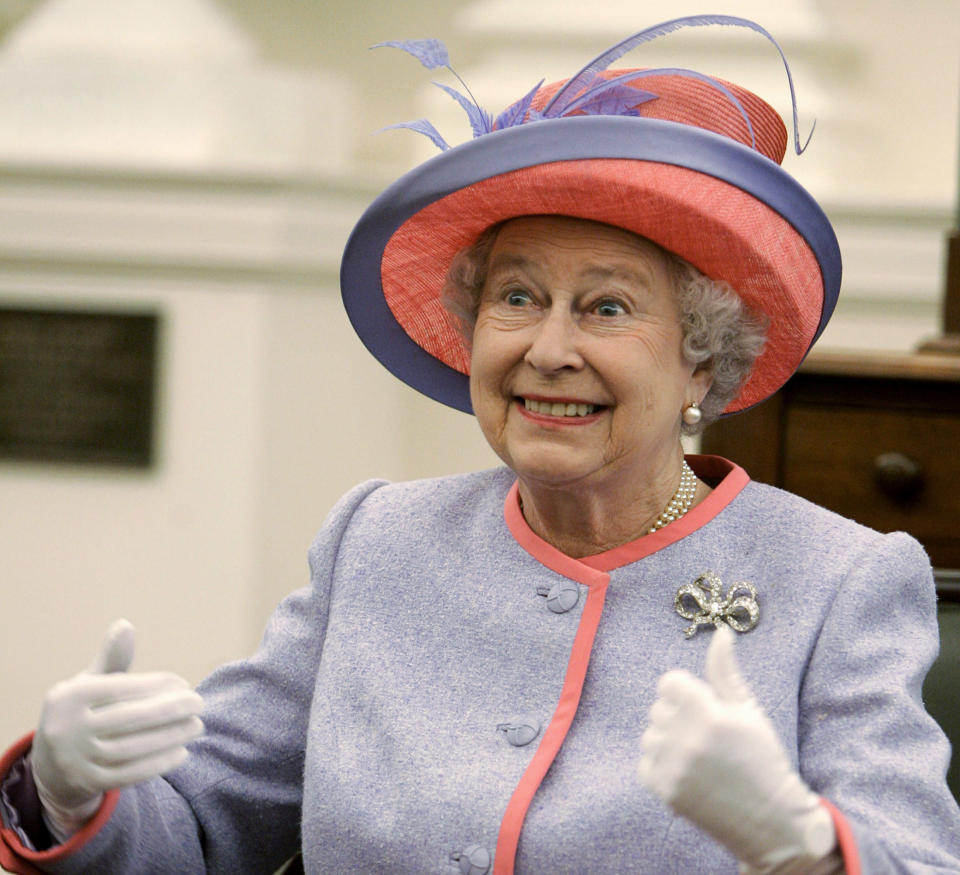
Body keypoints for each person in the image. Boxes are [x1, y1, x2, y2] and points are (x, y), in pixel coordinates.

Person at [2, 15, 959, 874]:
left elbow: (917, 859)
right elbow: (201, 832)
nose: (548, 349)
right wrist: (69, 791)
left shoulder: (840, 582)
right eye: (516, 297)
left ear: (701, 364)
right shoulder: (376, 542)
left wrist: (802, 848)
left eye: (607, 306)